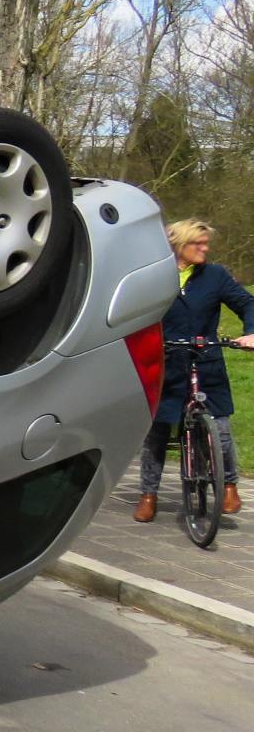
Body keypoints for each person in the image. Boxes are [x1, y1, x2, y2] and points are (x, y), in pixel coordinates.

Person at [134, 218, 254, 522]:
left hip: (206, 360)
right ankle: (149, 494)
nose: (205, 248)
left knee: (221, 428)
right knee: (158, 431)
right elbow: (135, 314)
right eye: (197, 243)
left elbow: (247, 303)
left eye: (206, 243)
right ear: (178, 245)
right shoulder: (155, 277)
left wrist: (251, 331)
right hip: (168, 362)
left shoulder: (215, 276)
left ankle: (229, 486)